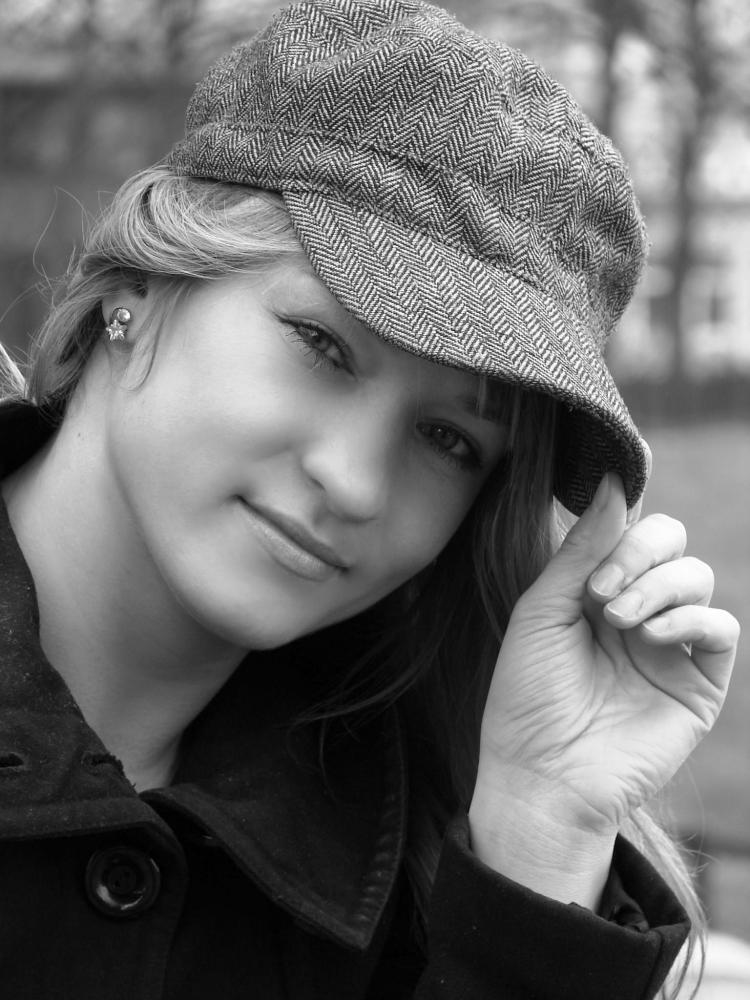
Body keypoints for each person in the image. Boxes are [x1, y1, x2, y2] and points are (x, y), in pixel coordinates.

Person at [0, 1, 739, 997]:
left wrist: (541, 839)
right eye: (322, 345)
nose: (352, 481)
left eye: (449, 440)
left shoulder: (420, 871)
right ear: (143, 279)